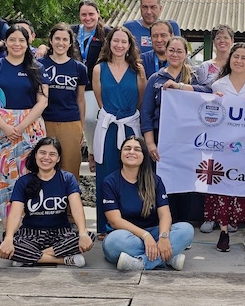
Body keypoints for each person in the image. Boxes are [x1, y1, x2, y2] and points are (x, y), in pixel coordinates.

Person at [0, 24, 49, 228]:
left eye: (21, 40)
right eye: (12, 40)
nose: (17, 44)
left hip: (30, 127)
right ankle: (8, 229)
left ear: (28, 43)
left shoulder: (37, 68)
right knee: (2, 176)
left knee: (30, 174)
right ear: (6, 42)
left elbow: (42, 101)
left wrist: (20, 127)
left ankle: (29, 226)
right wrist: (5, 125)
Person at [140, 35, 211, 222]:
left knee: (185, 183)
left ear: (186, 54)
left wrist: (180, 86)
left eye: (180, 51)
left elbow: (209, 93)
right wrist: (150, 143)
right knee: (161, 183)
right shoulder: (155, 78)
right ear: (165, 51)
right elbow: (146, 113)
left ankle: (182, 226)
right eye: (171, 50)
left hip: (188, 141)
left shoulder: (194, 77)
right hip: (161, 139)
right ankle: (163, 225)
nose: (175, 54)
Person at [205, 43, 245, 253]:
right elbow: (210, 117)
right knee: (223, 189)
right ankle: (223, 232)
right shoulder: (218, 85)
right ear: (229, 59)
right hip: (223, 147)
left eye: (244, 57)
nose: (239, 61)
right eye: (236, 56)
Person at [0, 137, 95, 267]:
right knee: (2, 244)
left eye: (52, 154)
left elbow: (76, 209)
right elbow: (14, 214)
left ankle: (27, 257)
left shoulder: (67, 179)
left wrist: (82, 233)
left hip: (61, 233)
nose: (46, 157)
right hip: (30, 233)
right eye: (42, 153)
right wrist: (9, 239)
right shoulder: (24, 181)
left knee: (89, 237)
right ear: (36, 154)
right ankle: (62, 259)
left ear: (58, 158)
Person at [101, 136, 194, 271]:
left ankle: (141, 263)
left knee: (186, 230)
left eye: (137, 149)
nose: (131, 152)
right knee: (112, 242)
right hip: (126, 235)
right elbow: (115, 221)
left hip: (154, 232)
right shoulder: (110, 182)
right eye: (127, 148)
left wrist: (163, 236)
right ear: (121, 154)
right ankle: (165, 258)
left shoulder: (155, 181)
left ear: (144, 155)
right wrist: (145, 236)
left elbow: (165, 215)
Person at [92, 27, 147, 238]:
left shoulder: (138, 70)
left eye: (124, 42)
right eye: (116, 41)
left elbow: (141, 101)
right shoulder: (99, 69)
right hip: (108, 128)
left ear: (130, 45)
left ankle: (130, 224)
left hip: (130, 128)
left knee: (131, 173)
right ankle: (105, 227)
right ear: (109, 42)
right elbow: (99, 100)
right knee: (106, 174)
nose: (119, 45)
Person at [39, 23, 88, 179]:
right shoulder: (40, 65)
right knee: (44, 167)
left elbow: (80, 99)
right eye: (57, 39)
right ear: (51, 41)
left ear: (70, 43)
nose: (61, 43)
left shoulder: (79, 68)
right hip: (45, 122)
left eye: (65, 39)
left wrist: (82, 128)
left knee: (70, 169)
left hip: (70, 122)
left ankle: (70, 203)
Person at [72, 0, 106, 151]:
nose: (88, 18)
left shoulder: (107, 33)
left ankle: (92, 151)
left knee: (90, 118)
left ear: (98, 14)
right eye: (83, 14)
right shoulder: (71, 31)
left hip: (94, 85)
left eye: (91, 14)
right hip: (72, 84)